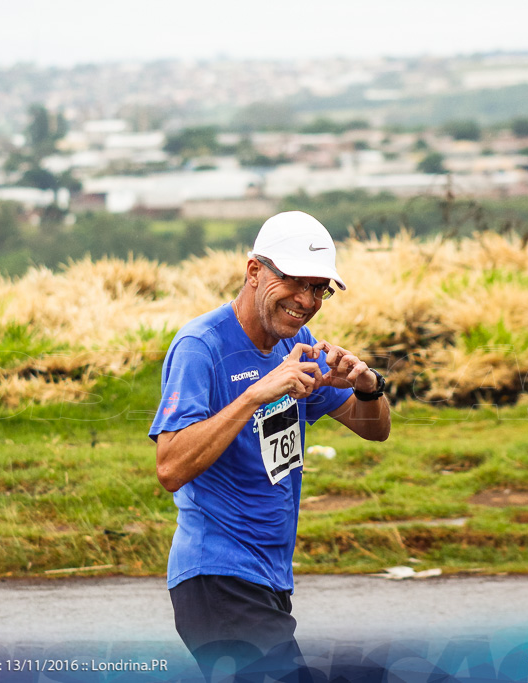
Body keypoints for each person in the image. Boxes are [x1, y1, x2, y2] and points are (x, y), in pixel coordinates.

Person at [149, 211, 391, 680]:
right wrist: (258, 392)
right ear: (254, 271)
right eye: (295, 282)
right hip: (216, 576)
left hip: (269, 577)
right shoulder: (200, 346)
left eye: (320, 288)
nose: (307, 300)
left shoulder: (294, 342)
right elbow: (170, 467)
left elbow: (373, 429)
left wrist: (366, 385)